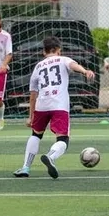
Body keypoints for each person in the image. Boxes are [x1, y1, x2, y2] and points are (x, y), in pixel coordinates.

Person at [13, 36, 95, 179]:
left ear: (44, 52)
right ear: (58, 50)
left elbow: (33, 95)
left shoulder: (38, 66)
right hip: (59, 105)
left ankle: (25, 167)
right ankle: (51, 156)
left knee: (36, 135)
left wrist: (31, 116)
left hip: (42, 105)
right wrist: (85, 71)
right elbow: (73, 65)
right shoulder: (63, 59)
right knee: (63, 139)